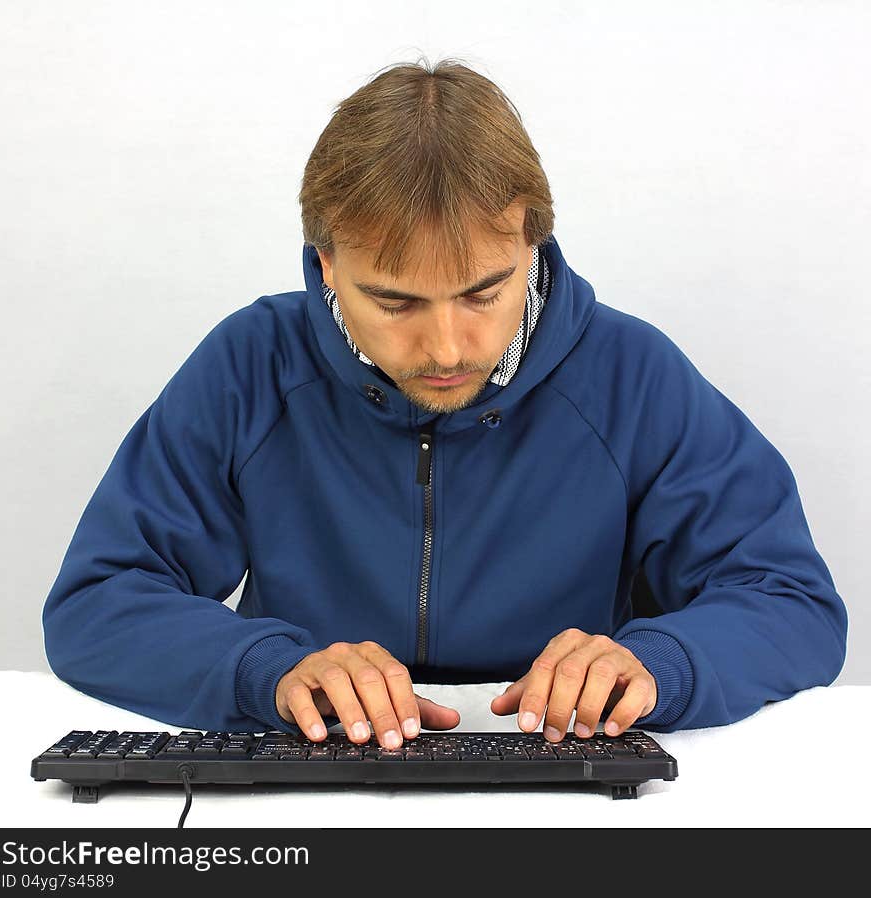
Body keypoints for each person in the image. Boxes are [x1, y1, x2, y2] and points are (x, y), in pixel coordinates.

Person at [42, 57, 848, 750]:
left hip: (571, 780)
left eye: (484, 292)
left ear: (531, 241)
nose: (447, 350)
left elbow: (792, 603)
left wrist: (660, 661)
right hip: (312, 776)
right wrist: (268, 669)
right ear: (326, 265)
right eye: (396, 303)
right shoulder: (251, 365)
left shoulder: (632, 374)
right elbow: (98, 602)